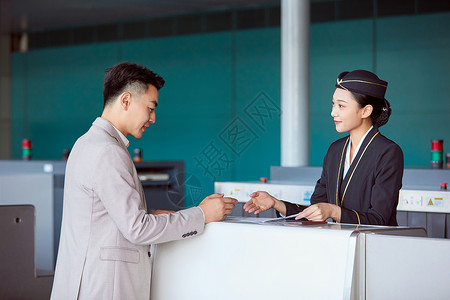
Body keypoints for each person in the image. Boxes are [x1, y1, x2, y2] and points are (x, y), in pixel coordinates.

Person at [51, 62, 237, 300]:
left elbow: (100, 215)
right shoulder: (108, 151)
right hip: (104, 288)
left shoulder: (86, 143)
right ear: (126, 100)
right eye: (150, 108)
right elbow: (137, 229)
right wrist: (201, 214)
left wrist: (152, 215)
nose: (153, 118)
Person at [244, 70, 403, 226]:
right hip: (339, 244)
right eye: (333, 104)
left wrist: (333, 211)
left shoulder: (388, 152)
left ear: (366, 111)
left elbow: (379, 219)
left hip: (375, 245)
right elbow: (316, 209)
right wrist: (275, 203)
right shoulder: (336, 150)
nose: (333, 112)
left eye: (341, 106)